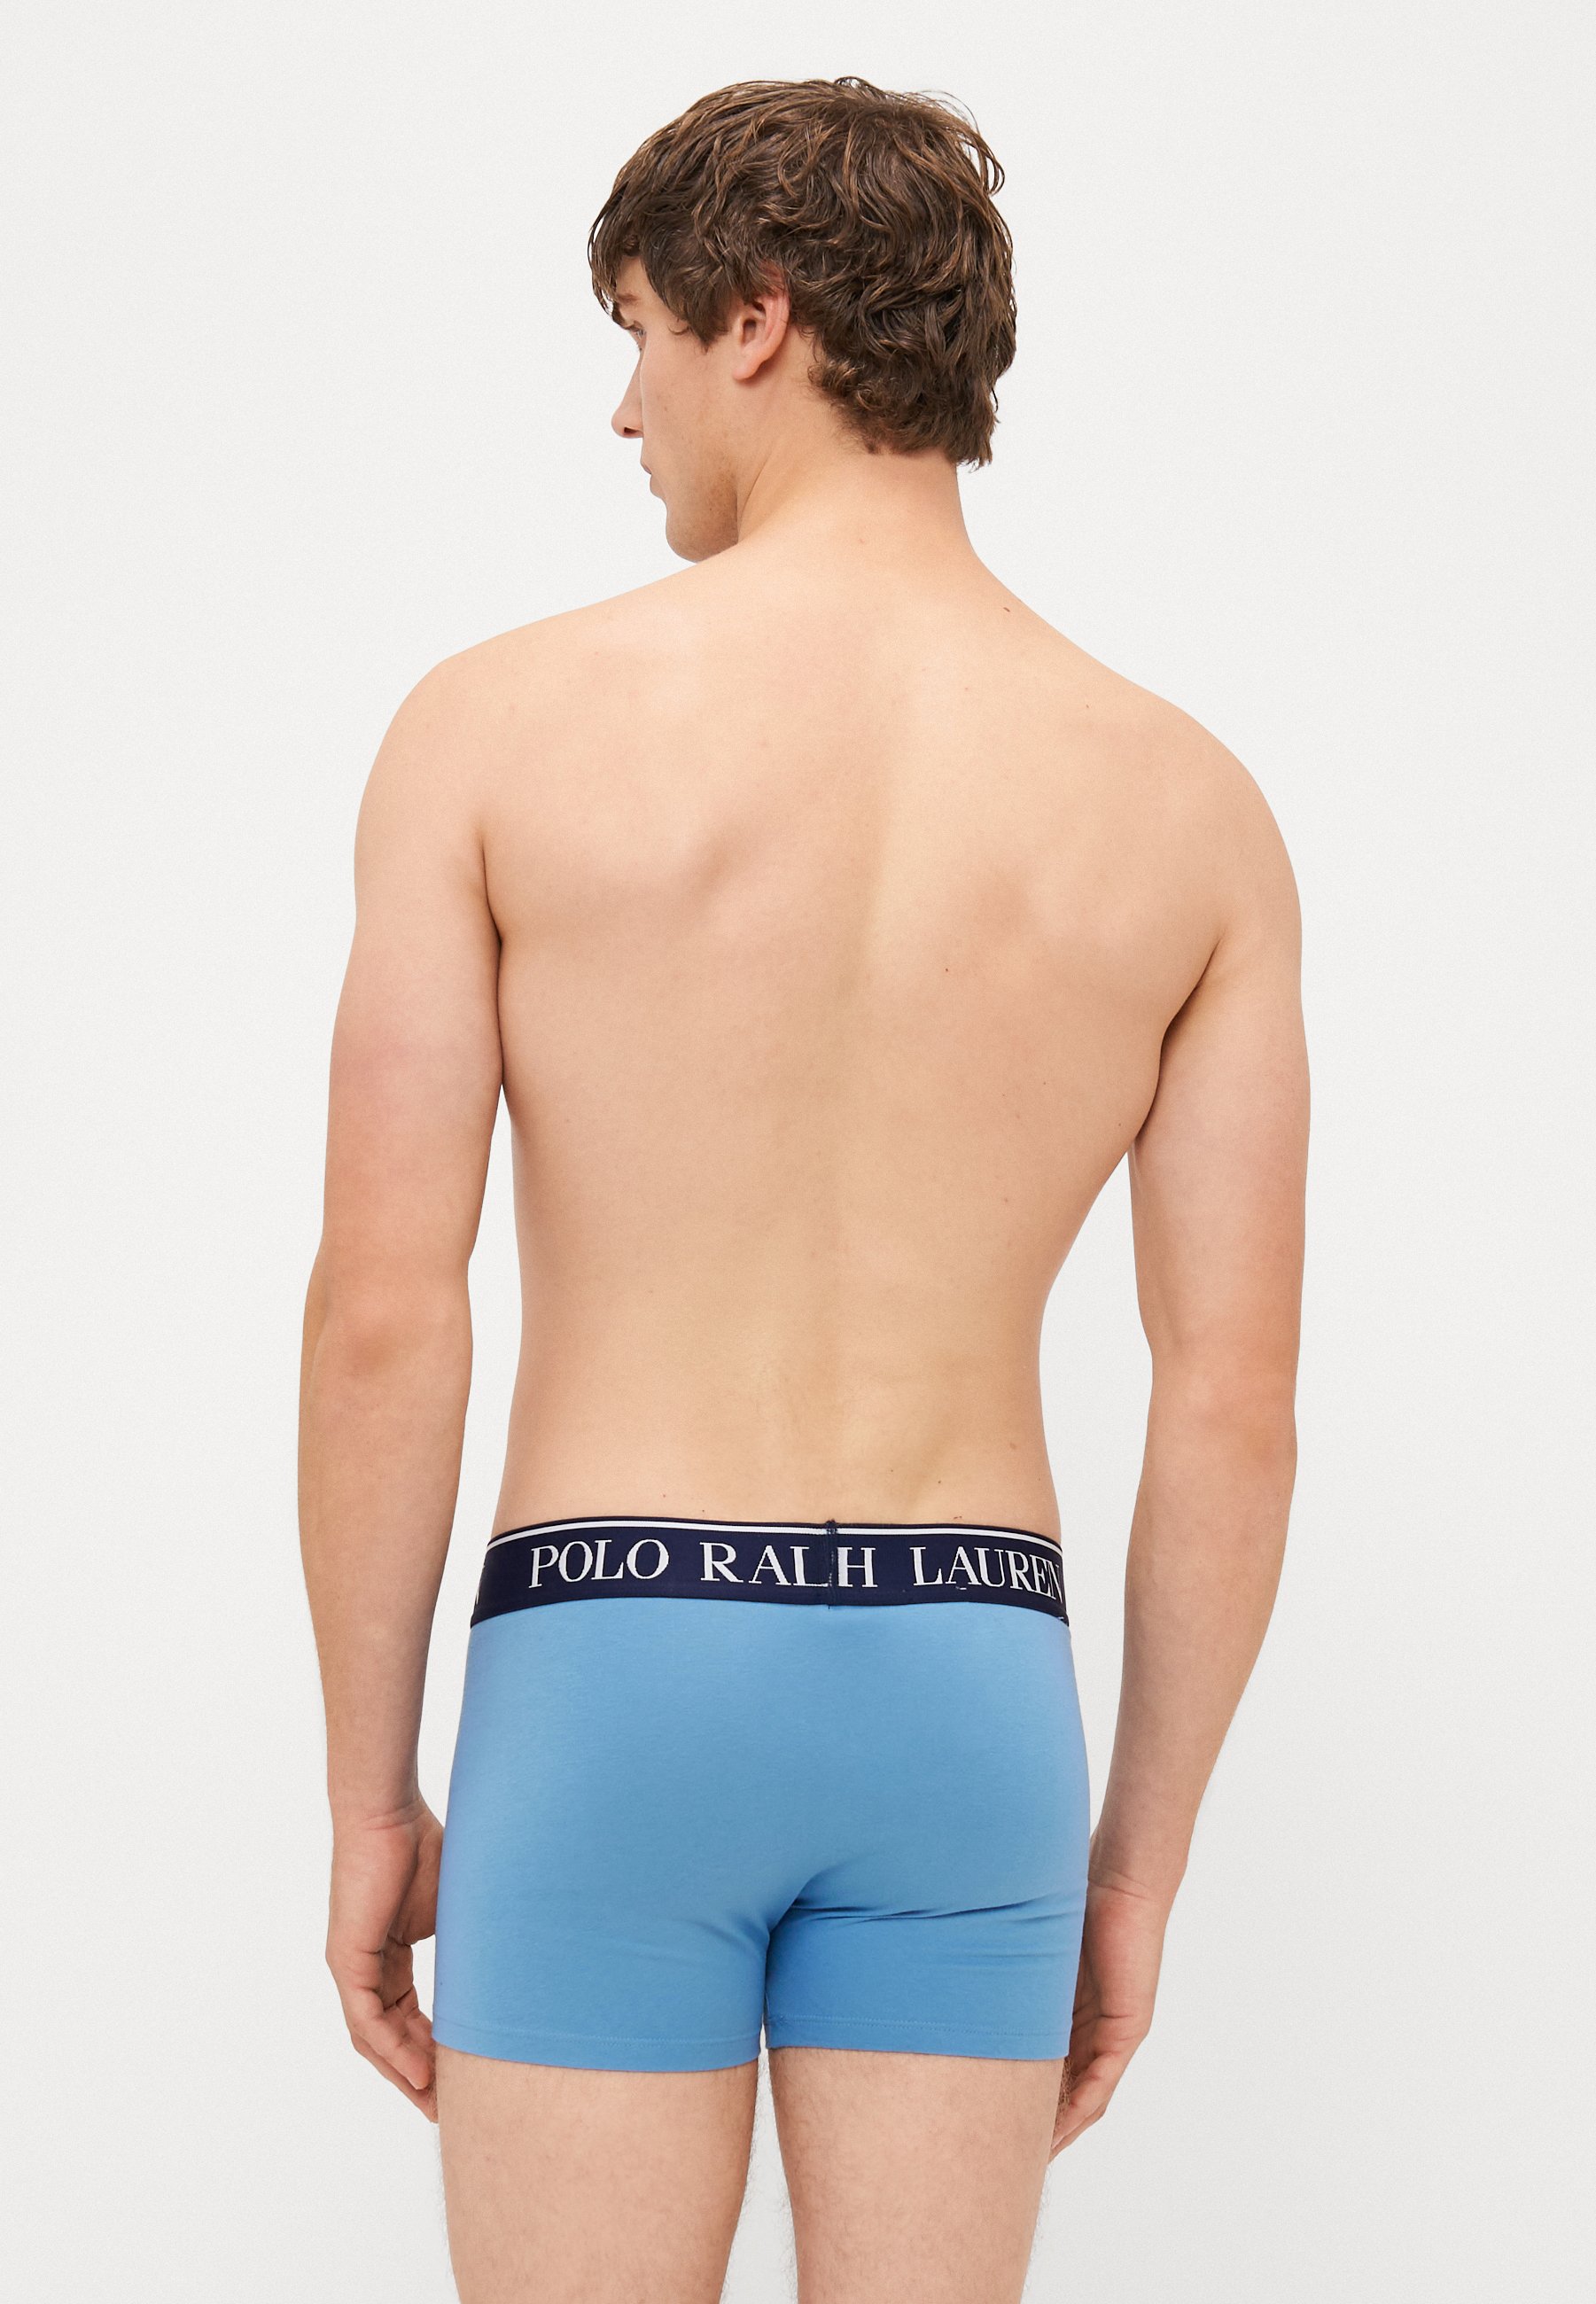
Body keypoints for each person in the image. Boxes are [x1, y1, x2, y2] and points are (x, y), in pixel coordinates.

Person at [298, 74, 1308, 2304]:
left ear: (753, 318)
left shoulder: (492, 731)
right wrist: (1133, 1863)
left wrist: (375, 1797)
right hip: (969, 1684)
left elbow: (384, 1306)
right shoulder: (1190, 811)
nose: (624, 407)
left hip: (612, 1661)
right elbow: (1230, 1399)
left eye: (638, 334)